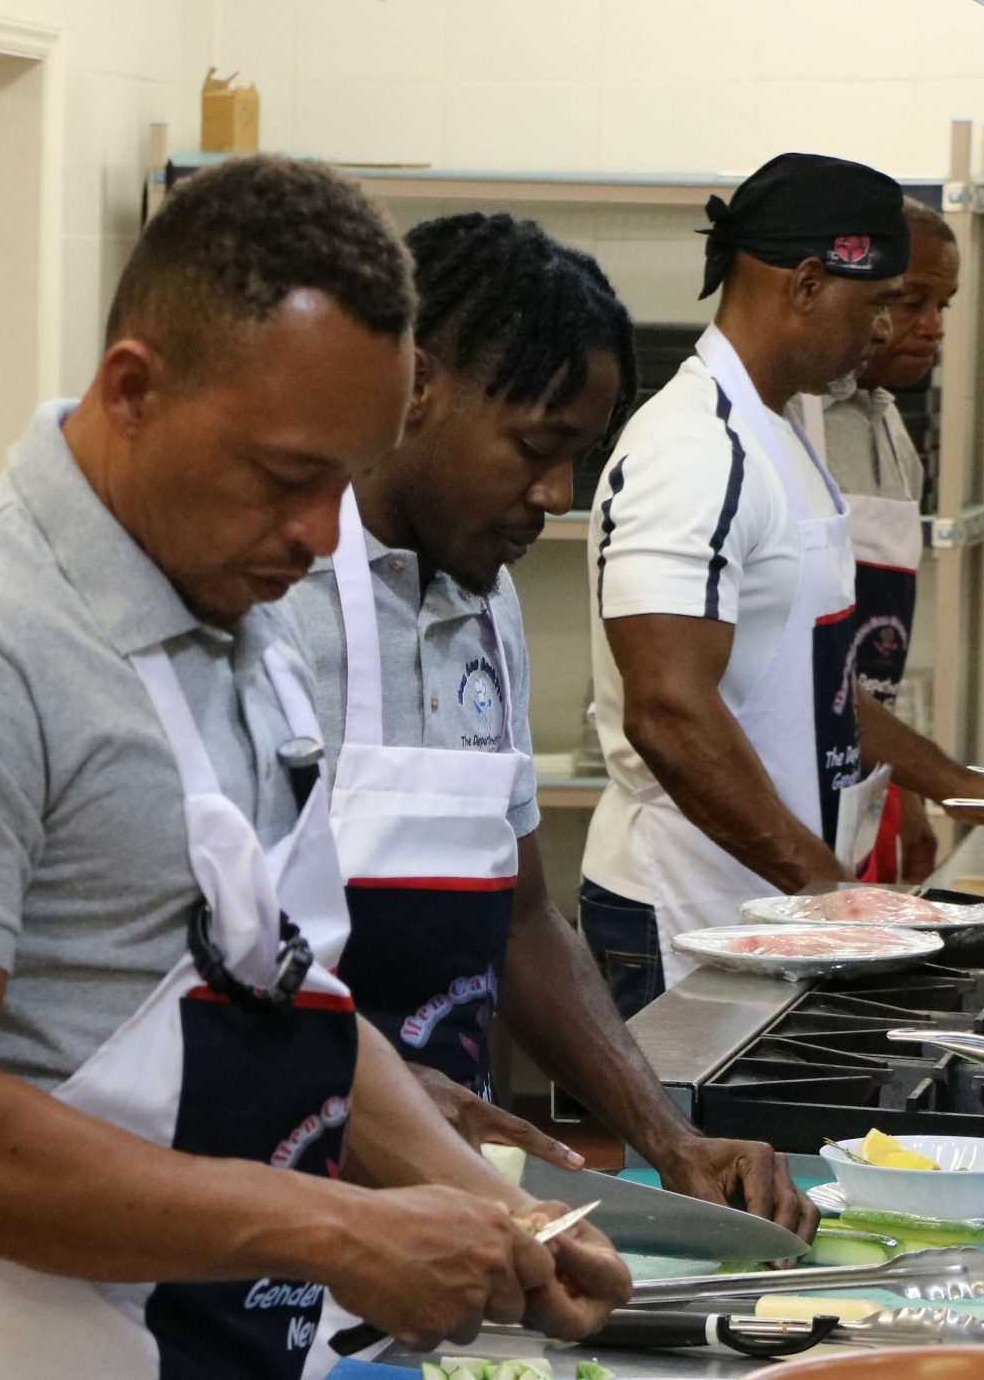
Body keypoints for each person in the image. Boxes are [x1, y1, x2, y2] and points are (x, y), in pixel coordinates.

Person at [0, 156, 631, 1379]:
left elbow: (282, 995)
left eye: (345, 478)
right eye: (285, 475)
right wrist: (336, 1228)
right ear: (132, 388)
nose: (318, 531)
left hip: (231, 1336)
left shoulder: (242, 607)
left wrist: (502, 1214)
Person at [280, 212, 813, 1236]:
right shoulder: (275, 601)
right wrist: (364, 1102)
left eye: (577, 456)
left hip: (459, 1201)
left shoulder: (487, 598)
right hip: (288, 1187)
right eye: (535, 447)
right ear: (417, 386)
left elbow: (520, 918)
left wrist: (671, 1142)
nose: (554, 496)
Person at [577, 153, 984, 1015]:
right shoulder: (695, 451)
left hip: (768, 905)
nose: (886, 331)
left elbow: (818, 689)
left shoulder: (781, 441)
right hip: (691, 911)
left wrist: (953, 782)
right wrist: (831, 889)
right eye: (878, 303)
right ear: (807, 284)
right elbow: (666, 709)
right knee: (685, 1152)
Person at [790, 198, 959, 883]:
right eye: (911, 300)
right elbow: (799, 668)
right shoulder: (787, 426)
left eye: (944, 307)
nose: (932, 328)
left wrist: (905, 792)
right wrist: (958, 779)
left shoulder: (893, 435)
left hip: (856, 784)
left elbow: (874, 667)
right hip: (778, 796)